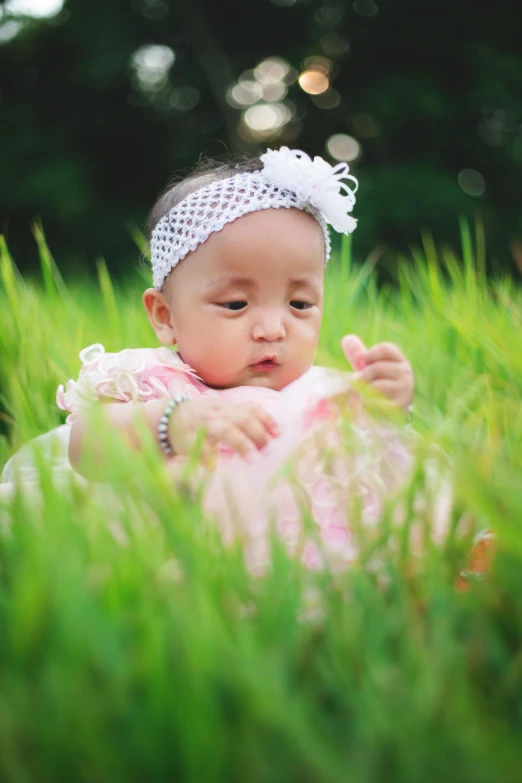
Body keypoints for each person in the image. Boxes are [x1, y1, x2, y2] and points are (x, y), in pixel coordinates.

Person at [2, 148, 418, 572]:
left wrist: (387, 408)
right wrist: (170, 424)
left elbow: (376, 471)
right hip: (176, 562)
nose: (273, 328)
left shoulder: (324, 396)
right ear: (166, 317)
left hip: (304, 557)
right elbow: (87, 447)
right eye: (237, 303)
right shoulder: (159, 384)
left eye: (299, 302)